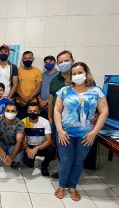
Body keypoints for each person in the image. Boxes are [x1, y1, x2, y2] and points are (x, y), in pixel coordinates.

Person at [54, 62, 108, 201]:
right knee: (66, 161)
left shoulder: (96, 91)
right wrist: (60, 130)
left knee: (78, 161)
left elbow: (104, 111)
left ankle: (72, 187)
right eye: (74, 73)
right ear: (71, 76)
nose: (77, 75)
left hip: (86, 135)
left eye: (80, 72)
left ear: (86, 73)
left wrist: (94, 132)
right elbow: (57, 110)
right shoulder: (64, 91)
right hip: (65, 134)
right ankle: (61, 186)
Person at [48, 50, 75, 179]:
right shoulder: (54, 81)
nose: (64, 64)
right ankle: (63, 171)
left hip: (76, 122)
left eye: (66, 61)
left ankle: (71, 175)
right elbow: (50, 100)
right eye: (61, 62)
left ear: (73, 61)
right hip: (58, 120)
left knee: (74, 149)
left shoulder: (80, 78)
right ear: (57, 65)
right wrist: (50, 117)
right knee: (60, 147)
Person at [0, 103, 25, 175]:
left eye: (12, 111)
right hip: (1, 143)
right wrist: (0, 149)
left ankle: (12, 161)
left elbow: (19, 141)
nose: (10, 113)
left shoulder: (20, 123)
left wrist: (11, 157)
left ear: (16, 112)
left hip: (12, 145)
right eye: (8, 110)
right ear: (4, 111)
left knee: (18, 157)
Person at [22, 102, 56, 177]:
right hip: (29, 147)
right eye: (30, 111)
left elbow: (49, 140)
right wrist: (27, 148)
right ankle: (31, 159)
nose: (32, 113)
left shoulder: (45, 122)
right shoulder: (23, 122)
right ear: (27, 111)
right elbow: (22, 139)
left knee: (52, 150)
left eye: (35, 111)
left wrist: (36, 148)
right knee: (29, 164)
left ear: (39, 112)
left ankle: (44, 166)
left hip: (41, 147)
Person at [16, 51, 42, 119]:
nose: (27, 60)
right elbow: (15, 86)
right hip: (20, 103)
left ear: (33, 59)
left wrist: (28, 98)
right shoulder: (17, 70)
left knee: (32, 125)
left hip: (33, 103)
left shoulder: (38, 71)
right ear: (22, 60)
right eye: (25, 58)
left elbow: (38, 87)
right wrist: (23, 98)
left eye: (30, 58)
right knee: (20, 124)